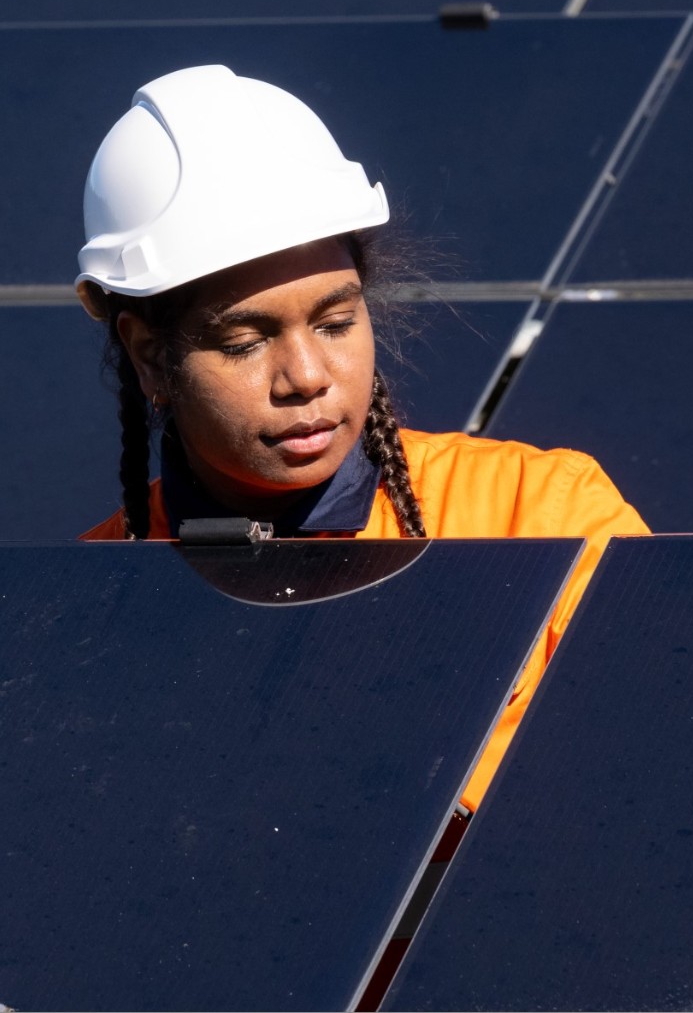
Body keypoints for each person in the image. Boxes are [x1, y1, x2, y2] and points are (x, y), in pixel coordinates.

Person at [74, 65, 647, 812]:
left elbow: (650, 797)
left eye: (337, 322)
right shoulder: (81, 606)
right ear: (150, 353)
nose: (308, 375)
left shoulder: (544, 519)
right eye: (246, 342)